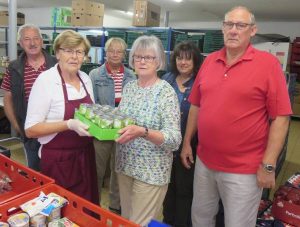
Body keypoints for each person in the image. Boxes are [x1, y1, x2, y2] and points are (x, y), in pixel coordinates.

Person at [181, 6, 292, 227]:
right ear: (223, 28)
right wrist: (186, 143)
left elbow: (281, 117)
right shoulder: (209, 61)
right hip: (205, 162)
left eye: (240, 25)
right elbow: (196, 105)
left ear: (252, 30)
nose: (233, 30)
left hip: (245, 170)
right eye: (228, 24)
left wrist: (268, 165)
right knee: (200, 218)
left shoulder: (268, 65)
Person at [24, 30, 99, 204]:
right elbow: (31, 130)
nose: (74, 56)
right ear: (57, 53)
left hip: (86, 156)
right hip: (59, 162)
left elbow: (90, 114)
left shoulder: (85, 79)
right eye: (68, 50)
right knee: (63, 211)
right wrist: (69, 124)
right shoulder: (46, 81)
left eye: (79, 52)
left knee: (88, 209)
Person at [115, 35, 182, 226]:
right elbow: (121, 121)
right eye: (138, 56)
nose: (142, 61)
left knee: (139, 224)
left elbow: (174, 139)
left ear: (158, 61)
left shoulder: (165, 93)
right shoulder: (129, 88)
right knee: (126, 220)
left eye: (149, 57)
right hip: (125, 166)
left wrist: (143, 132)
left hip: (151, 171)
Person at [89, 37, 136, 214]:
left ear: (124, 54)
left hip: (123, 130)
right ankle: (94, 207)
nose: (115, 54)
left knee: (119, 171)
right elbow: (91, 104)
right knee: (97, 169)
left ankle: (116, 207)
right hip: (102, 131)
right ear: (106, 52)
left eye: (119, 51)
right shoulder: (95, 75)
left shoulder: (131, 75)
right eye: (111, 51)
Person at [1, 24, 57, 171]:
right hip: (30, 132)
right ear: (21, 43)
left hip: (56, 130)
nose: (32, 43)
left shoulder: (56, 64)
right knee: (35, 171)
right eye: (27, 39)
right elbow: (7, 98)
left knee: (57, 170)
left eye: (35, 38)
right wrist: (17, 127)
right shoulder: (13, 68)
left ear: (41, 41)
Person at [162, 41, 202, 227]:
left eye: (188, 58)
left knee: (184, 189)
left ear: (195, 60)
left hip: (189, 145)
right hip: (165, 144)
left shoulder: (200, 82)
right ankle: (167, 221)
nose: (183, 62)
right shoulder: (167, 79)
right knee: (167, 187)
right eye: (179, 58)